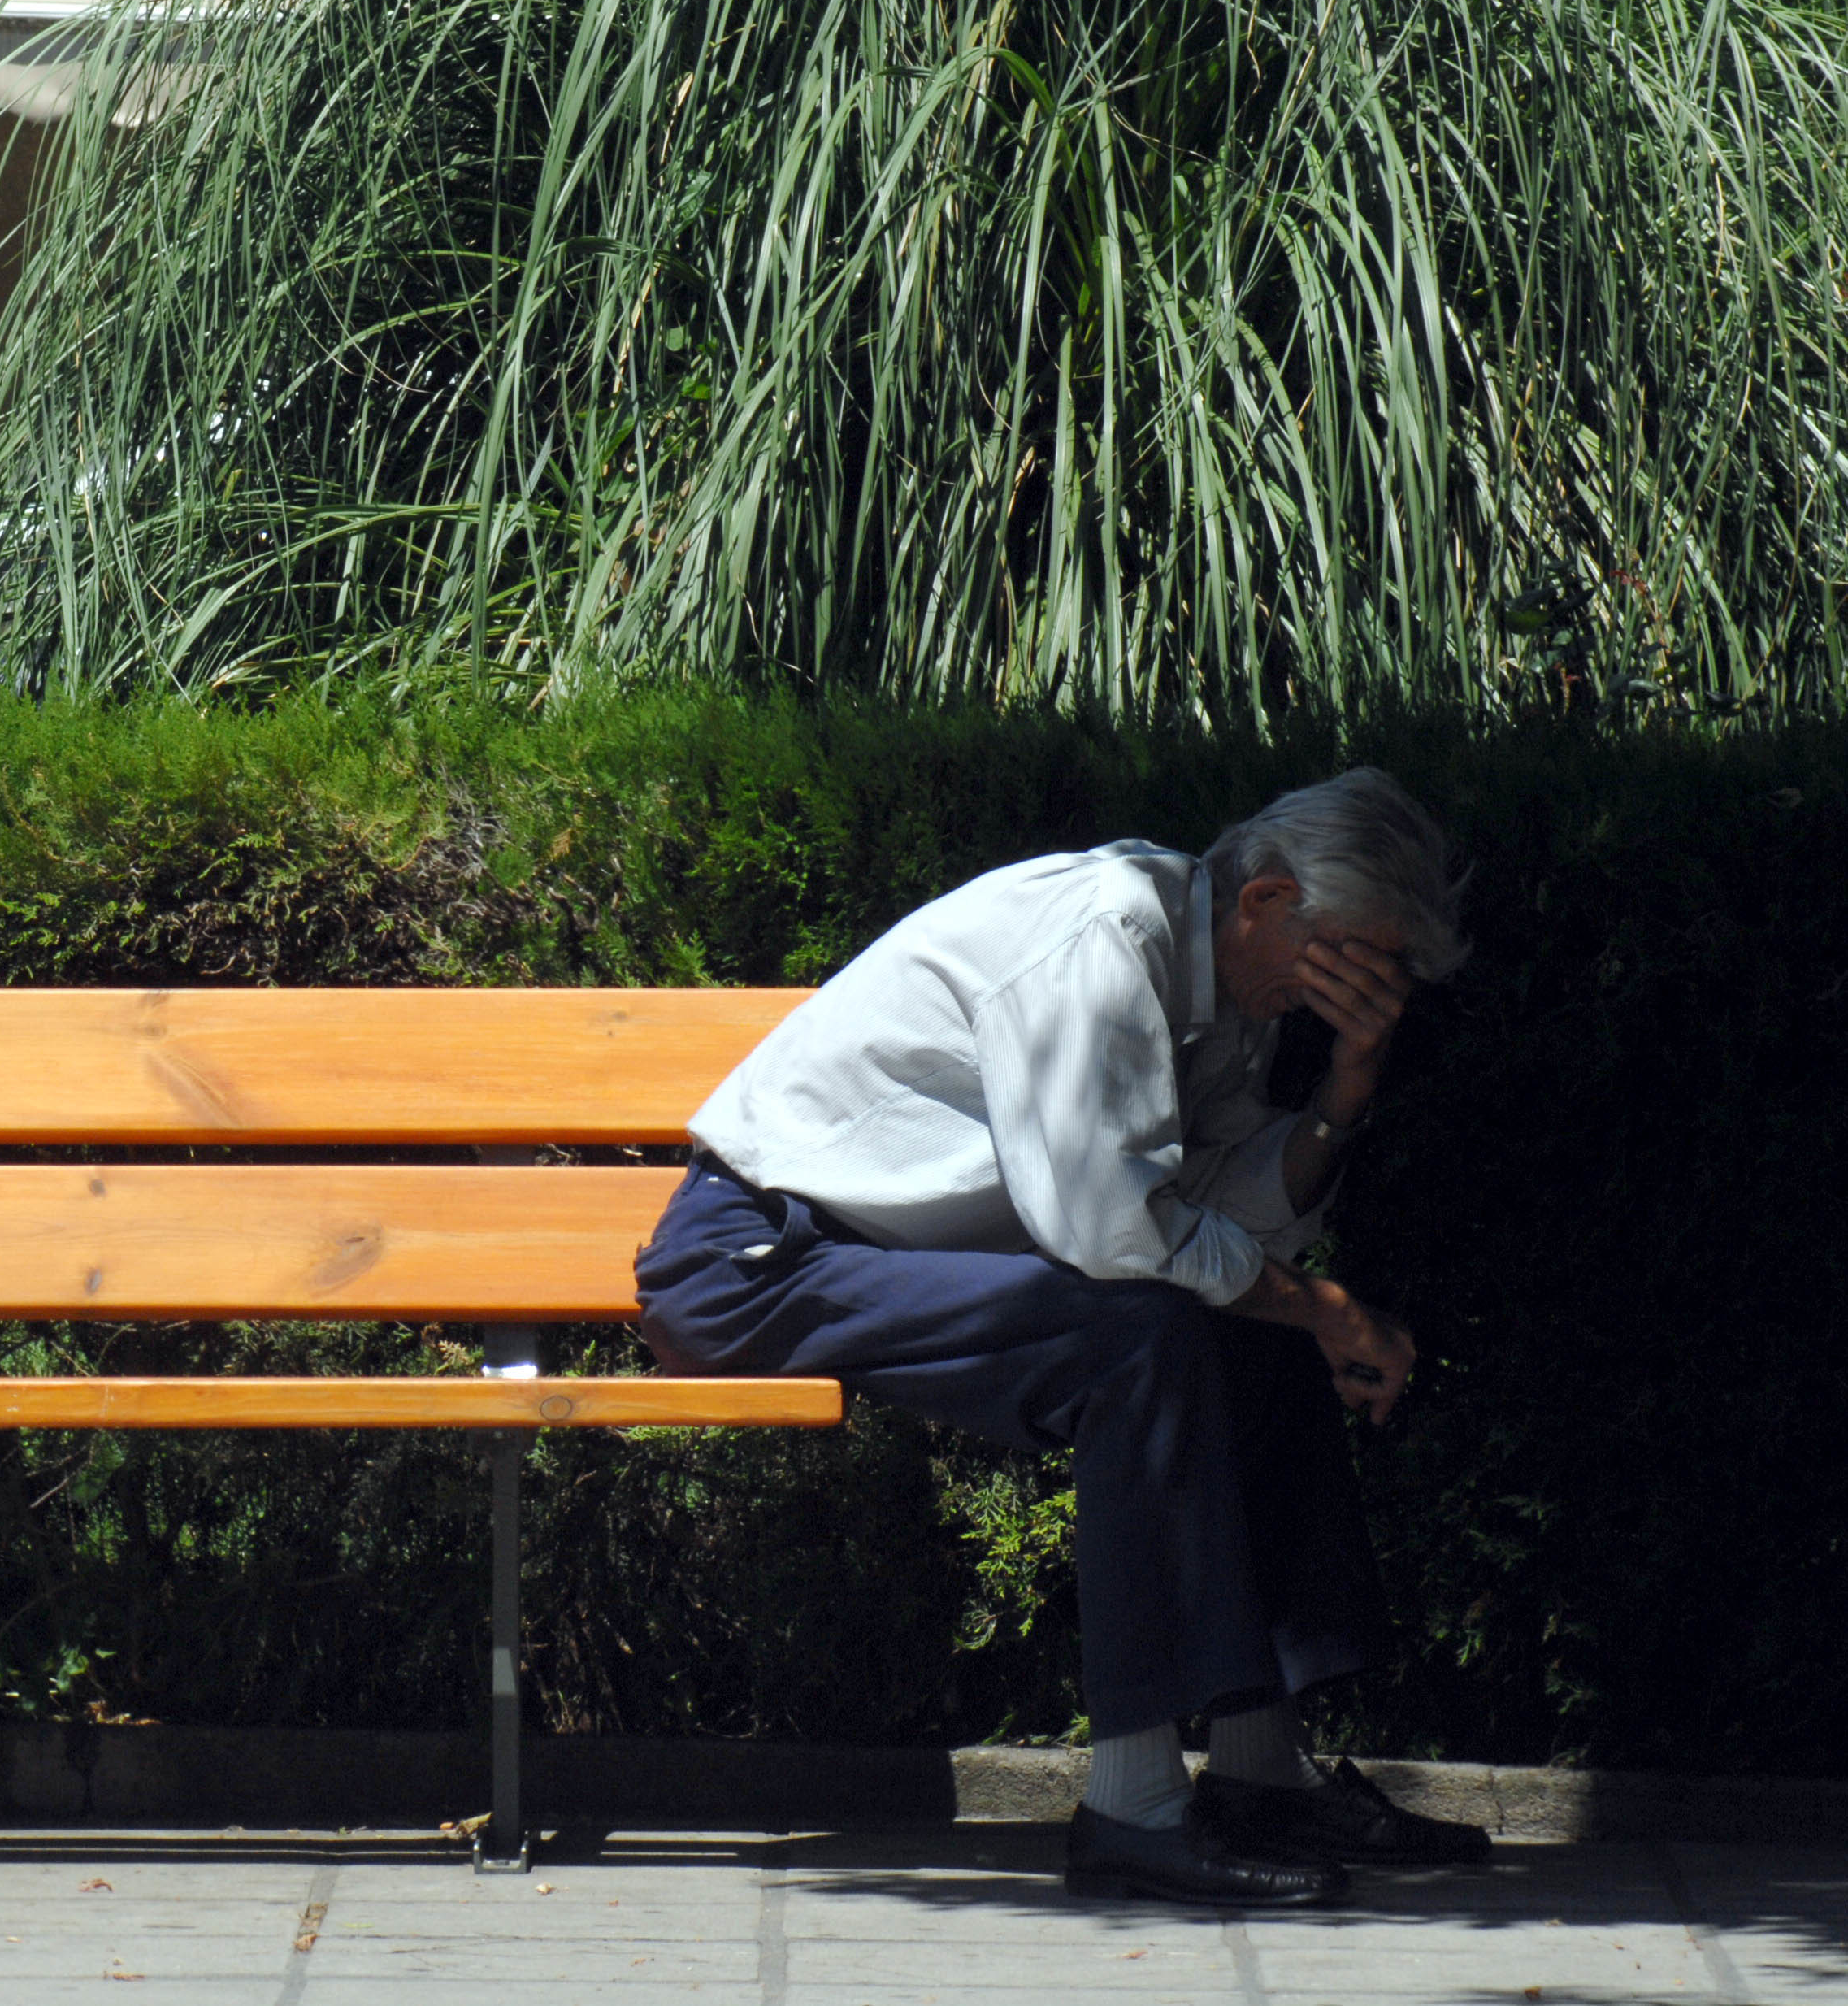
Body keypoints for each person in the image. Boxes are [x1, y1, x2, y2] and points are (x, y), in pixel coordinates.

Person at [636, 768, 1493, 1908]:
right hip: (755, 1265)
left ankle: (1259, 1775)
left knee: (1241, 1325)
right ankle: (1131, 1815)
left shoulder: (1221, 986)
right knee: (1139, 1337)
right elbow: (1109, 1230)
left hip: (877, 1256)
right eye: (1348, 960)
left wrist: (1348, 1082)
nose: (1353, 992)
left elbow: (1225, 1221)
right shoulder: (1102, 945)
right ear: (1265, 900)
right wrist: (1321, 1305)